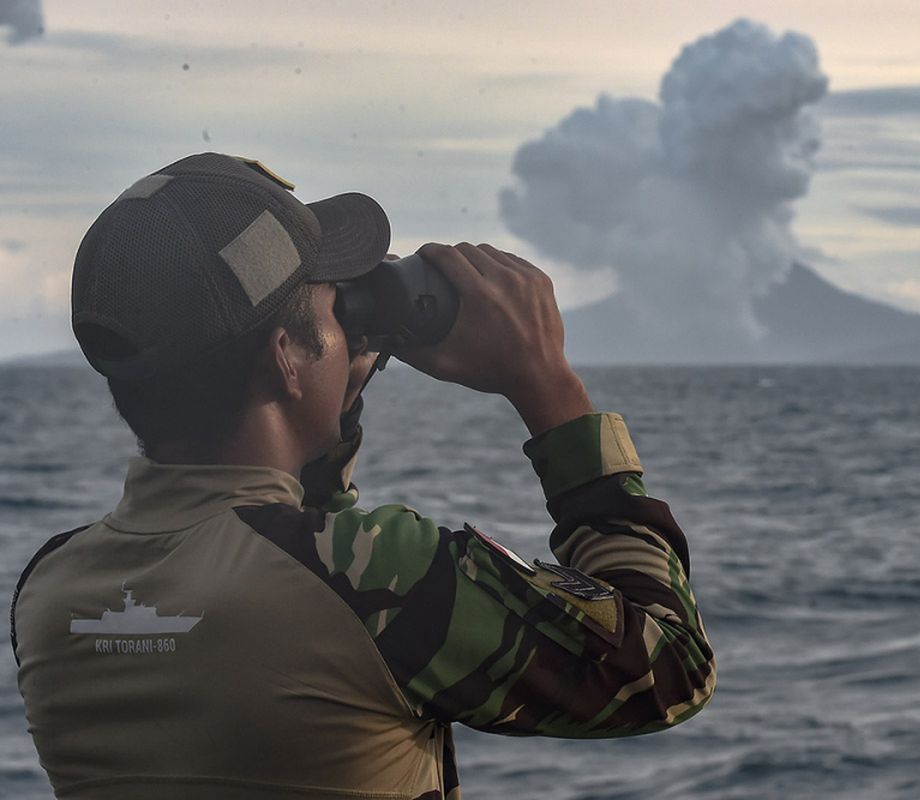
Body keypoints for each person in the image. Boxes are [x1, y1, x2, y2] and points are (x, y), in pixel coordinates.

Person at [9, 153, 715, 799]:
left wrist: (324, 404)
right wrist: (550, 390)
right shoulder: (380, 580)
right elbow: (667, 666)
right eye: (334, 305)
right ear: (286, 358)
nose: (352, 326)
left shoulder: (50, 589)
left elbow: (284, 557)